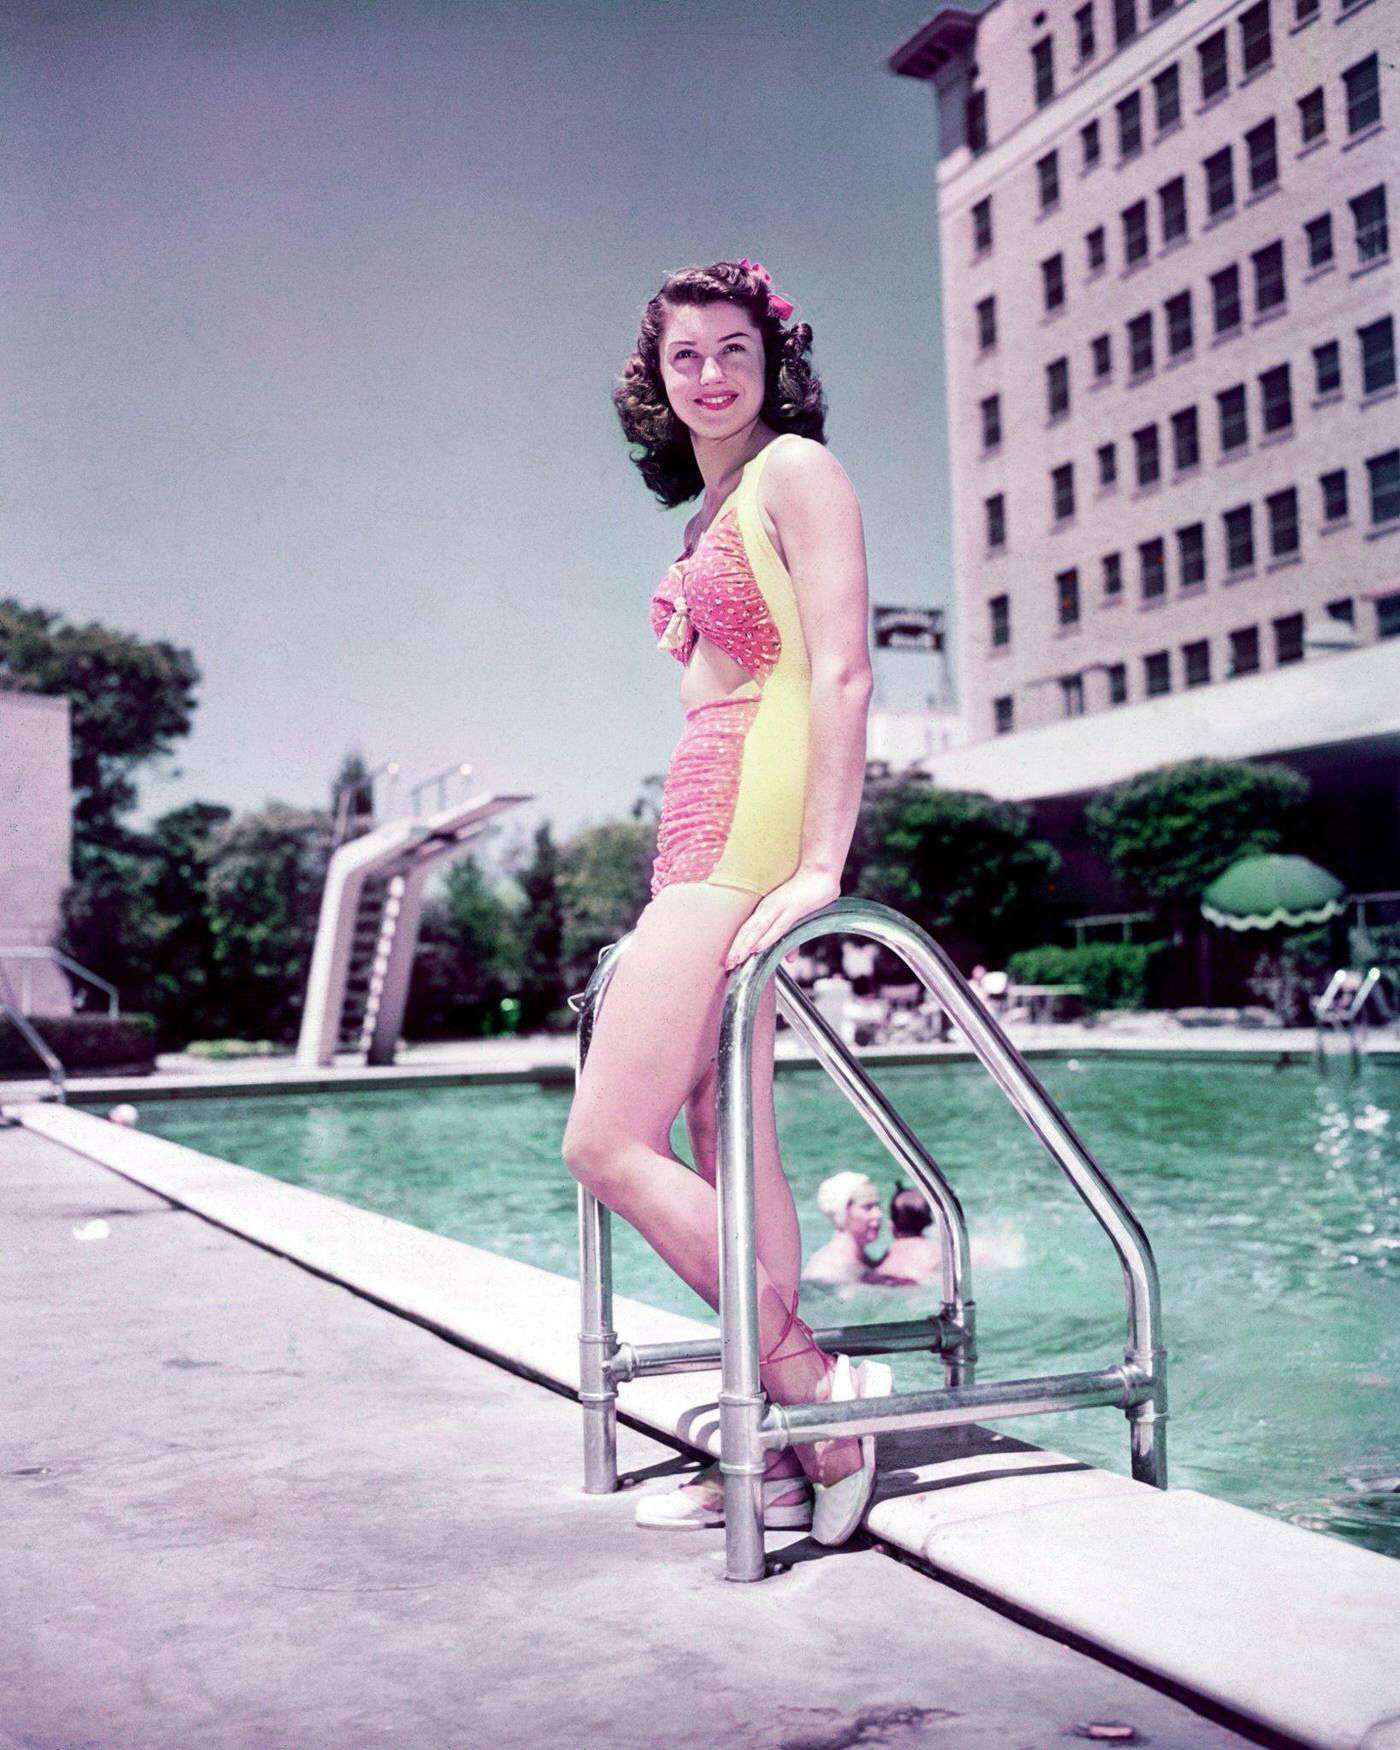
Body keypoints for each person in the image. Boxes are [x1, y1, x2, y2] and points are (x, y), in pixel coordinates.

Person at [562, 258, 891, 1543]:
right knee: (724, 1134)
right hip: (701, 806)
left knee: (603, 1139)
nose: (709, 374)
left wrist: (819, 864)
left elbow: (842, 671)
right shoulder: (708, 511)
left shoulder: (796, 470)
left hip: (753, 813)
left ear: (771, 364)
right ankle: (776, 1446)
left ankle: (815, 1394)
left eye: (732, 351)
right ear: (656, 378)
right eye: (684, 355)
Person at [802, 1171, 884, 1287]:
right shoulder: (828, 1269)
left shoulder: (862, 1260)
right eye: (867, 1207)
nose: (878, 1214)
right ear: (844, 1213)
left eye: (877, 1206)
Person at [864, 1185, 942, 1287]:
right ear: (928, 1222)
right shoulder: (936, 1248)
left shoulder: (893, 1249)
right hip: (922, 1281)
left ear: (892, 1226)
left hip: (889, 1282)